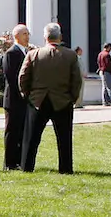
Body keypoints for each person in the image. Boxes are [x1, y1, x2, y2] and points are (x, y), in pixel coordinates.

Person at [19, 22, 83, 174]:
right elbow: (76, 80)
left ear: (45, 37)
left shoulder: (33, 54)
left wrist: (27, 94)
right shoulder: (70, 55)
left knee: (31, 138)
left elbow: (23, 77)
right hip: (62, 100)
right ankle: (65, 168)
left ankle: (27, 167)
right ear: (60, 37)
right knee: (64, 138)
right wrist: (72, 98)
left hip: (38, 100)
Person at [1, 24, 30, 170]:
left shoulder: (25, 53)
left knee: (21, 132)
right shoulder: (11, 53)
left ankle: (19, 161)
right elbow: (12, 78)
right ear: (17, 36)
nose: (28, 36)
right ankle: (9, 163)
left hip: (23, 100)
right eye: (25, 34)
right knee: (12, 132)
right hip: (13, 100)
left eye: (28, 33)